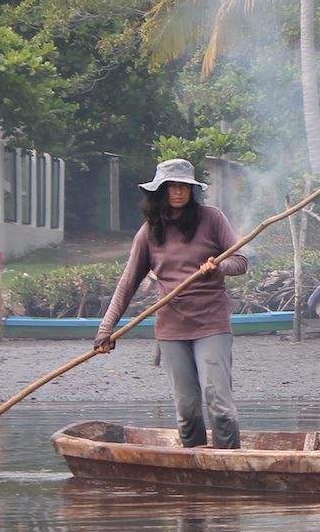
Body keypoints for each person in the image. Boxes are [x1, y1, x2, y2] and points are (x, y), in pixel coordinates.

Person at [93, 158, 249, 449]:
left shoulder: (212, 219)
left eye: (183, 186)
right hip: (172, 329)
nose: (177, 192)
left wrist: (218, 267)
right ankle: (193, 468)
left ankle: (229, 464)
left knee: (219, 405)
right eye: (171, 186)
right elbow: (127, 283)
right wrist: (106, 330)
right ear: (159, 192)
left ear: (192, 190)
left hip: (211, 324)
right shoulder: (149, 232)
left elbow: (240, 261)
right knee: (187, 411)